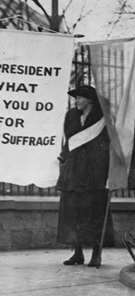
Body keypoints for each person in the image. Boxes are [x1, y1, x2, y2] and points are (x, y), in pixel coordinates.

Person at [57, 85, 113, 268]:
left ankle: (96, 254)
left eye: (80, 98)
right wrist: (64, 157)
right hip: (74, 171)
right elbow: (68, 140)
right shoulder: (71, 116)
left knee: (94, 212)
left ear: (90, 100)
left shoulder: (103, 118)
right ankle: (77, 253)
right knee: (73, 213)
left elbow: (108, 143)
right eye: (76, 98)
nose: (76, 101)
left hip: (94, 172)